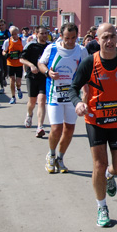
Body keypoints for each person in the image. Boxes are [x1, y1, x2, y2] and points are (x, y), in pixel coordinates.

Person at [69, 23, 117, 227]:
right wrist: (78, 104)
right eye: (105, 37)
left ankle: (110, 175)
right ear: (97, 40)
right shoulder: (88, 63)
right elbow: (73, 88)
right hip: (95, 121)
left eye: (113, 36)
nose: (109, 41)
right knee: (98, 165)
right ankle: (102, 206)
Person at [38, 22, 88, 174]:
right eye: (67, 38)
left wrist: (85, 94)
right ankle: (51, 155)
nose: (71, 41)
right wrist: (48, 73)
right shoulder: (52, 48)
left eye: (73, 38)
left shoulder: (81, 51)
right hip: (55, 95)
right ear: (61, 36)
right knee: (56, 128)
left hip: (72, 96)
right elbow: (41, 63)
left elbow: (87, 71)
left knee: (69, 129)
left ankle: (60, 158)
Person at [20, 26, 50, 138]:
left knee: (42, 100)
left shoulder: (49, 46)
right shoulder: (31, 45)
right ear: (36, 34)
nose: (44, 35)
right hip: (32, 76)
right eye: (42, 33)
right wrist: (31, 65)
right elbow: (21, 58)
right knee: (32, 101)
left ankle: (40, 127)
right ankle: (29, 114)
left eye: (46, 33)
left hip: (44, 77)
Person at [3, 26, 24, 104]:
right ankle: (13, 97)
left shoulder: (22, 41)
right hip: (10, 63)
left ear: (18, 33)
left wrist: (21, 54)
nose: (14, 35)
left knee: (18, 82)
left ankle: (18, 89)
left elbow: (25, 51)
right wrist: (6, 54)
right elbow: (4, 51)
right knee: (12, 80)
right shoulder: (7, 41)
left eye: (15, 34)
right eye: (12, 34)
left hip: (19, 64)